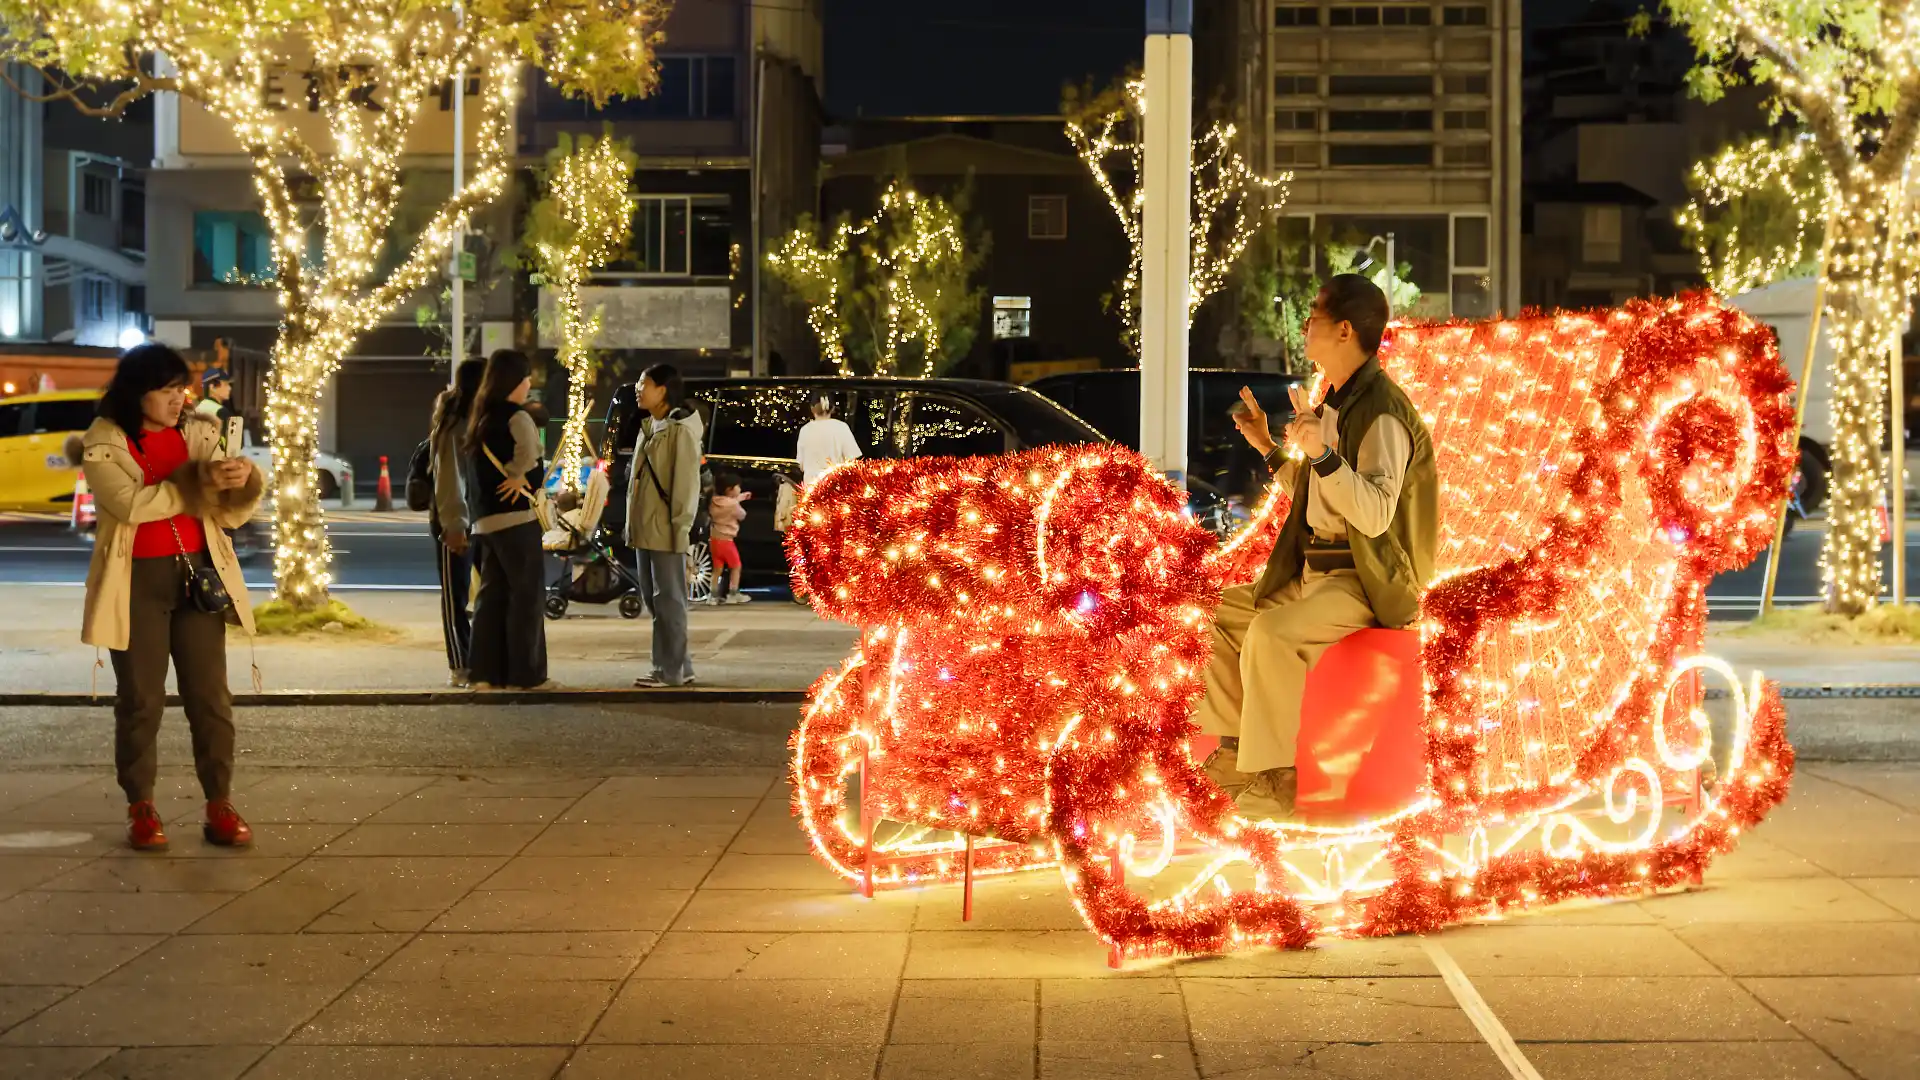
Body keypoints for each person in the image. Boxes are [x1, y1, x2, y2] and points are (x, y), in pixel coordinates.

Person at [1196, 274, 1438, 821]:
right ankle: (1237, 755)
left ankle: (1280, 778)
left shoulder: (1382, 412)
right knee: (1222, 613)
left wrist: (1325, 455)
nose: (1306, 326)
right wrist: (1266, 445)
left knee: (1272, 633)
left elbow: (1373, 516)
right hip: (1320, 570)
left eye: (1315, 318)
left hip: (1366, 579)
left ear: (1344, 330)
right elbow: (1320, 497)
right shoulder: (1338, 398)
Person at [79, 342, 264, 851]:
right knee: (141, 699)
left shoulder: (201, 432)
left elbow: (226, 515)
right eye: (165, 391)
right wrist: (197, 482)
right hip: (136, 580)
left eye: (180, 389)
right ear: (137, 393)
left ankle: (219, 803)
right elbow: (130, 506)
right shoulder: (105, 441)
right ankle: (141, 805)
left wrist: (238, 482)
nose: (178, 400)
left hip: (198, 577)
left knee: (210, 698)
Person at [462, 349, 550, 690]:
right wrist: (517, 474)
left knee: (490, 598)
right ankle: (525, 675)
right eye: (527, 377)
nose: (529, 383)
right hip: (516, 520)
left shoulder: (480, 417)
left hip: (485, 522)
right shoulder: (517, 417)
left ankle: (483, 674)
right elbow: (530, 453)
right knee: (526, 599)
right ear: (516, 381)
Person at [624, 363, 704, 687]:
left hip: (666, 530)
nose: (638, 388)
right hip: (647, 528)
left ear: (664, 390)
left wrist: (680, 530)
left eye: (645, 383)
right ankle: (680, 666)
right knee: (654, 599)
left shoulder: (679, 431)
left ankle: (668, 671)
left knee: (669, 601)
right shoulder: (652, 427)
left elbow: (685, 486)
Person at [429, 358, 485, 687]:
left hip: (477, 521)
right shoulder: (453, 425)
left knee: (476, 594)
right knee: (456, 597)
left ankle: (476, 660)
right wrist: (455, 524)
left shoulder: (474, 421)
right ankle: (460, 665)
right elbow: (449, 480)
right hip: (456, 523)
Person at [795, 395, 862, 485]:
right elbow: (852, 458)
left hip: (811, 486)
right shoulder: (841, 427)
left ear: (812, 409)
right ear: (833, 408)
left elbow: (801, 464)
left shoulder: (805, 430)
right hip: (835, 483)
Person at [706, 472, 750, 606]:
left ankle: (712, 596)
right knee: (736, 566)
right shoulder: (732, 505)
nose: (739, 489)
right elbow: (742, 515)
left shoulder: (713, 501)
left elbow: (728, 503)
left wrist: (737, 499)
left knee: (717, 569)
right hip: (727, 541)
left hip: (714, 539)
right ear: (729, 489)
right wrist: (737, 501)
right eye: (737, 487)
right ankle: (733, 593)